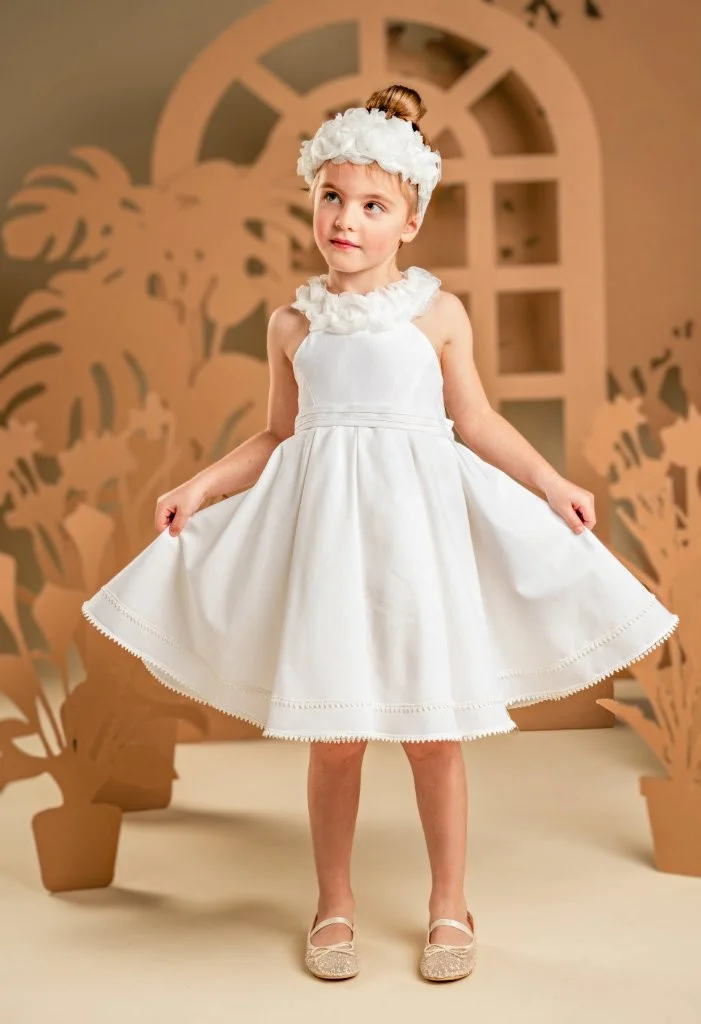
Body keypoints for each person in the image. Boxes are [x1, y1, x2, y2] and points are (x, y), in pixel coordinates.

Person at [82, 84, 679, 983]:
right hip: (330, 545)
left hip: (416, 545)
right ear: (312, 201)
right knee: (338, 734)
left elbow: (475, 420)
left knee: (433, 734)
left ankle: (450, 903)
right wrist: (199, 485)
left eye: (372, 205)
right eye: (331, 197)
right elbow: (277, 435)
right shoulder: (292, 323)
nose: (346, 219)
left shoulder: (435, 314)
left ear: (410, 220)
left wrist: (551, 483)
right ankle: (334, 904)